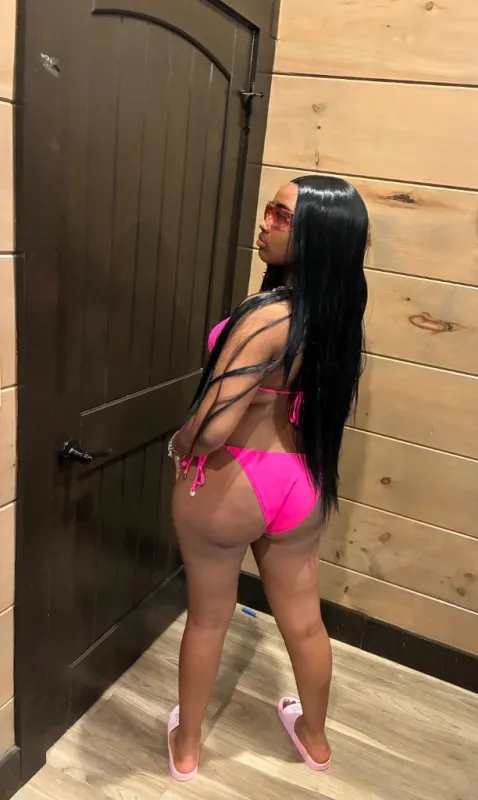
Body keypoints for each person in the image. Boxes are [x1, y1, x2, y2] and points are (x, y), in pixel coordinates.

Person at [167, 174, 369, 781]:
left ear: (314, 235)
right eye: (270, 210)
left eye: (281, 215)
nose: (265, 222)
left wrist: (178, 444)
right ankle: (314, 738)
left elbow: (212, 429)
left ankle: (187, 747)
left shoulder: (266, 317)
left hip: (232, 484)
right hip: (298, 483)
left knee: (209, 618)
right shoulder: (339, 311)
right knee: (304, 621)